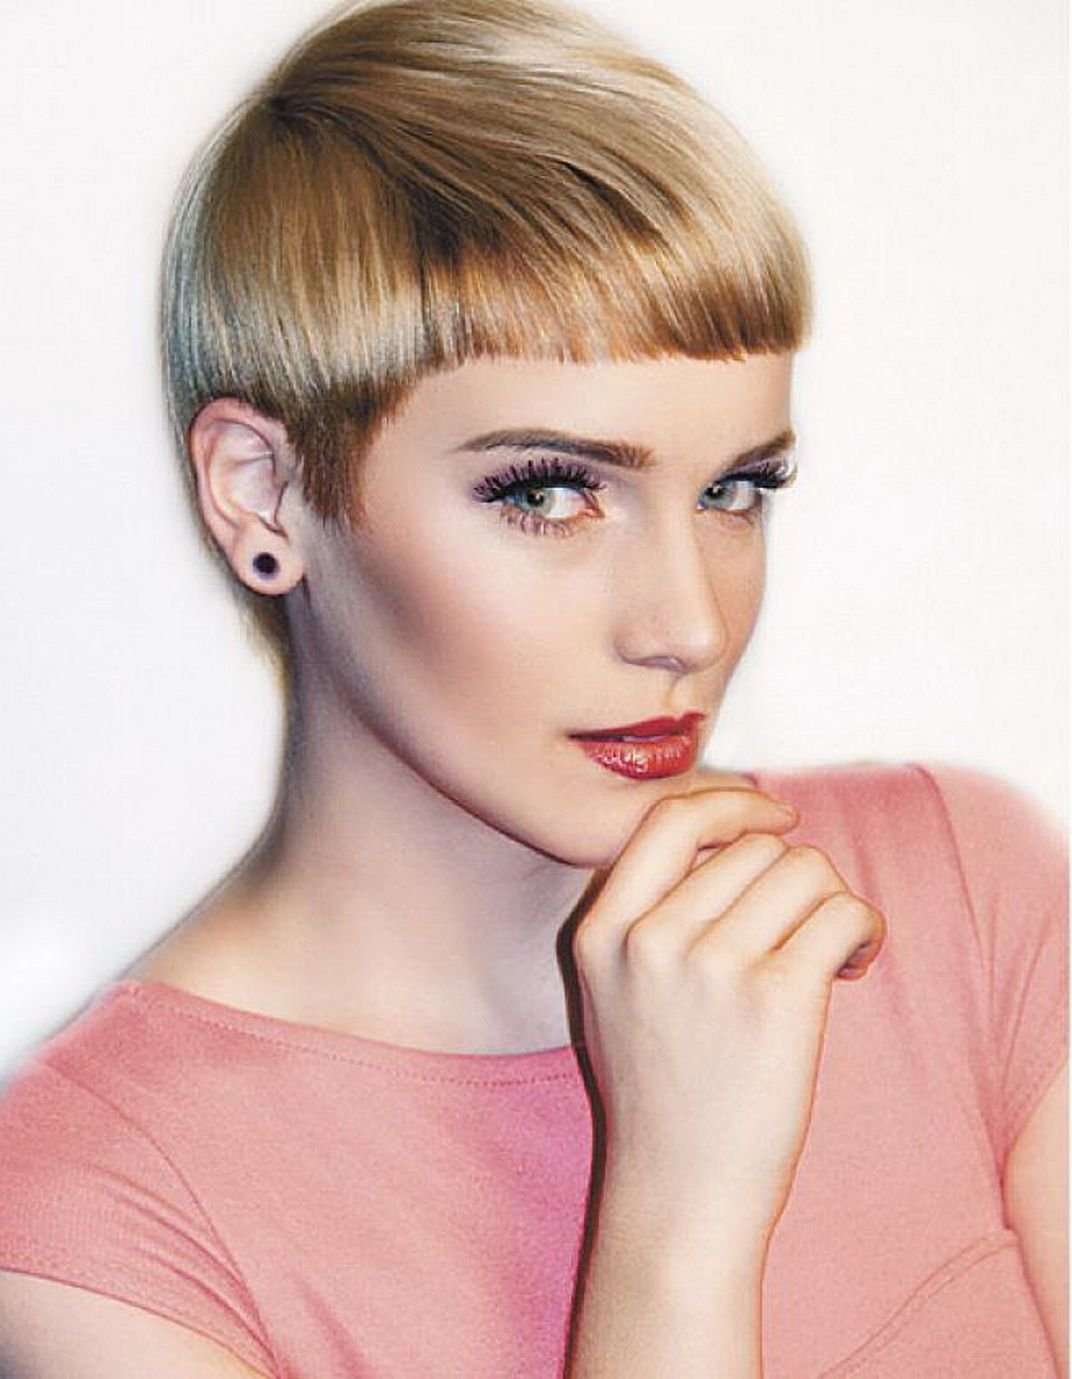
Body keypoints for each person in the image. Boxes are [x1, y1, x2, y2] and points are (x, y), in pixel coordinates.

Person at [0, 0, 1065, 1375]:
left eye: (734, 490)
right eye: (550, 492)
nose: (688, 624)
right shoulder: (103, 1220)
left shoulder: (956, 897)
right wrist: (679, 1224)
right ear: (263, 494)